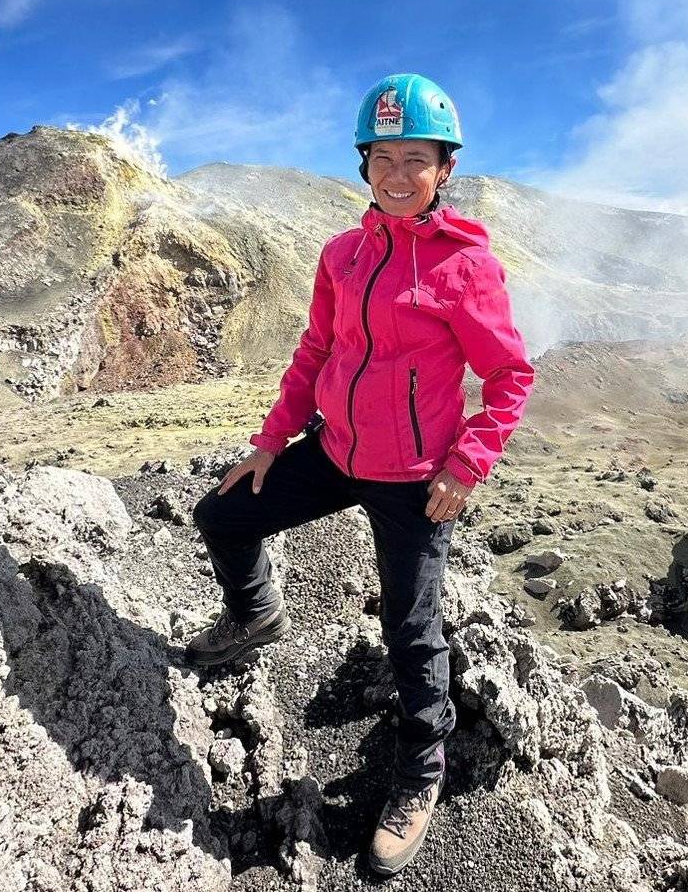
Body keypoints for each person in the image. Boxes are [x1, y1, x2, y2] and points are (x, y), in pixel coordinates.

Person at [185, 72, 535, 876]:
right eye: (382, 155)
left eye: (417, 157)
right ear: (363, 164)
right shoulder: (343, 254)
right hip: (337, 451)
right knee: (224, 515)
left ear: (445, 169)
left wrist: (466, 464)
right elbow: (317, 352)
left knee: (411, 632)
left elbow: (510, 377)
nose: (398, 173)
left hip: (415, 477)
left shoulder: (464, 267)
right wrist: (272, 442)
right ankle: (255, 614)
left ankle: (420, 773)